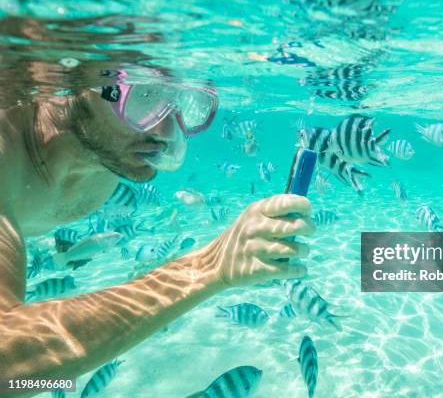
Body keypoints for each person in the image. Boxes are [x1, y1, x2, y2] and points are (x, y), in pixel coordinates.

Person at [0, 70, 314, 396]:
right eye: (144, 96)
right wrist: (207, 266)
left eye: (182, 102)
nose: (166, 130)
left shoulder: (103, 158)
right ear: (70, 77)